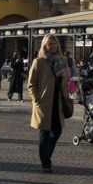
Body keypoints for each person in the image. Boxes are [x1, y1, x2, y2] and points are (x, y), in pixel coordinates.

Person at [27, 33, 71, 172]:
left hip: (58, 102)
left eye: (54, 43)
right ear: (45, 46)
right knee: (45, 133)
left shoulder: (62, 61)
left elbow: (65, 82)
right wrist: (36, 99)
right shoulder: (39, 62)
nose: (52, 46)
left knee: (57, 131)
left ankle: (47, 155)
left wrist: (67, 96)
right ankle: (46, 162)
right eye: (50, 44)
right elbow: (31, 84)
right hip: (44, 102)